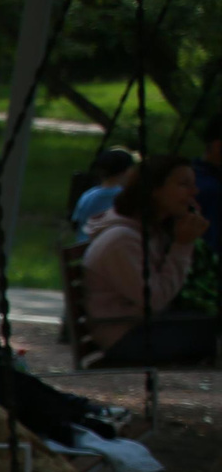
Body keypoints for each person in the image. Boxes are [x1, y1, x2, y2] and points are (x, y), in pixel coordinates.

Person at [80, 152, 219, 365]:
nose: (195, 192)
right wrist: (182, 246)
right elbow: (156, 300)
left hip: (148, 327)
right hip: (127, 337)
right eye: (184, 184)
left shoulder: (152, 231)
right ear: (155, 189)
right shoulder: (121, 240)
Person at [69, 148, 134, 236]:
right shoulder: (128, 198)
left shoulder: (87, 196)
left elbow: (76, 223)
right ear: (128, 171)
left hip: (86, 246)